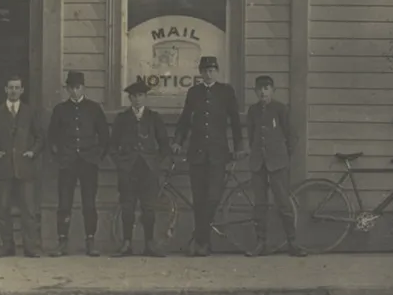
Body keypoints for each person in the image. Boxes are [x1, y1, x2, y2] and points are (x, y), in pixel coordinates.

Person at [173, 56, 243, 257]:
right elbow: (185, 119)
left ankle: (199, 238)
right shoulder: (194, 92)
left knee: (213, 197)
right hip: (197, 153)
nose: (208, 73)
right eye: (204, 70)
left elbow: (236, 121)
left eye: (212, 70)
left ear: (217, 71)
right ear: (200, 73)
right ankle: (204, 243)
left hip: (218, 154)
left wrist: (238, 145)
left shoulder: (226, 91)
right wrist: (178, 140)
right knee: (199, 199)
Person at [47, 71, 110, 257]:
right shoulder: (60, 110)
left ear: (83, 88)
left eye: (78, 87)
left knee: (89, 203)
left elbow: (105, 137)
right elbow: (52, 137)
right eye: (71, 88)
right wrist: (59, 156)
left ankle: (90, 241)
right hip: (67, 163)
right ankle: (62, 242)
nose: (74, 91)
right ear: (67, 89)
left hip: (88, 163)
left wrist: (97, 156)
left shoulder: (94, 108)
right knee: (64, 203)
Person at [0, 75, 45, 258]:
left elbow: (40, 137)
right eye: (11, 87)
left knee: (29, 210)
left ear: (22, 90)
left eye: (17, 88)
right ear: (5, 89)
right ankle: (7, 247)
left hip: (25, 167)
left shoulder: (30, 112)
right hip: (3, 167)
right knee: (3, 209)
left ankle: (30, 247)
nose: (14, 91)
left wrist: (33, 152)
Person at [245, 75, 307, 257]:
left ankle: (292, 243)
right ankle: (260, 243)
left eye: (266, 88)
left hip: (277, 164)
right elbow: (251, 135)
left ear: (273, 90)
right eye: (260, 89)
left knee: (283, 203)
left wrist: (282, 155)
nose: (263, 92)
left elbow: (292, 136)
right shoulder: (253, 111)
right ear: (255, 91)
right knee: (260, 204)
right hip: (258, 164)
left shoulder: (280, 109)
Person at [111, 80, 170, 258]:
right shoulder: (122, 119)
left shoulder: (154, 118)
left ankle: (149, 244)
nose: (137, 99)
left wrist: (155, 164)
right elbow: (112, 146)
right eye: (134, 96)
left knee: (149, 207)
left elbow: (164, 145)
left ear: (145, 97)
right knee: (127, 206)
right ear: (129, 98)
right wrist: (121, 164)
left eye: (140, 96)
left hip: (148, 170)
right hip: (128, 169)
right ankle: (127, 243)